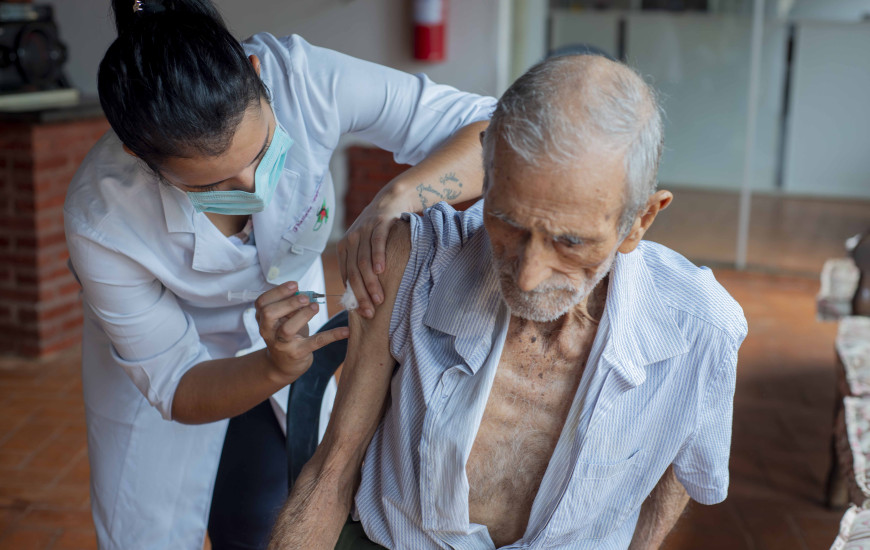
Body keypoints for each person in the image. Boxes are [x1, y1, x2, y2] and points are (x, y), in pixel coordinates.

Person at [269, 53, 748, 549]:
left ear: (641, 221)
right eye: (508, 222)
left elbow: (677, 471)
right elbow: (333, 470)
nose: (527, 274)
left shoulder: (701, 327)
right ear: (486, 169)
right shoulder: (411, 262)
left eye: (571, 241)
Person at [62, 0, 496, 548]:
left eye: (262, 151)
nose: (253, 186)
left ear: (254, 72)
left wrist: (401, 195)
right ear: (137, 155)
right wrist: (271, 366)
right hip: (173, 364)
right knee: (150, 530)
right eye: (212, 186)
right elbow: (177, 385)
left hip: (290, 331)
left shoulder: (305, 80)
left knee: (277, 511)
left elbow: (493, 130)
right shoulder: (102, 217)